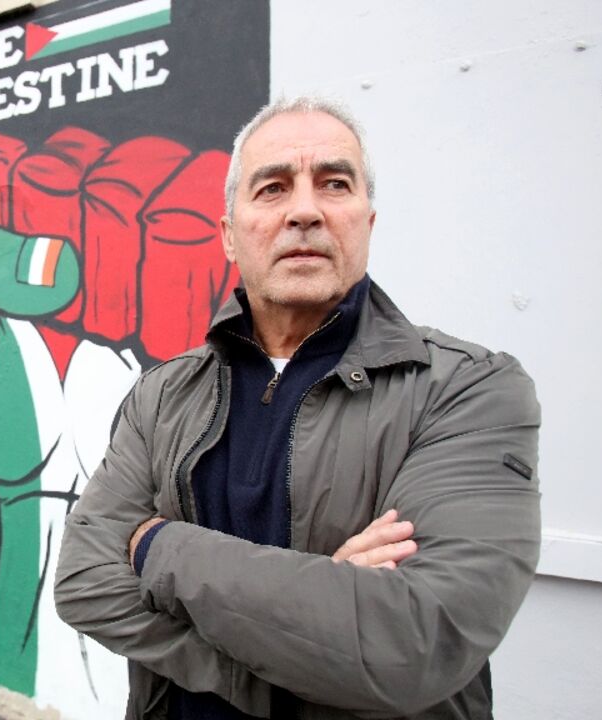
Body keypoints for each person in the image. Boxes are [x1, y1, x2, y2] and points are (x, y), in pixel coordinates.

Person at [54, 96, 541, 719]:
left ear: (367, 222)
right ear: (230, 235)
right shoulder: (162, 395)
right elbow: (85, 581)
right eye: (273, 188)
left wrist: (157, 546)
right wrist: (312, 619)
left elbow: (412, 643)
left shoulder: (466, 389)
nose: (305, 211)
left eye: (334, 184)